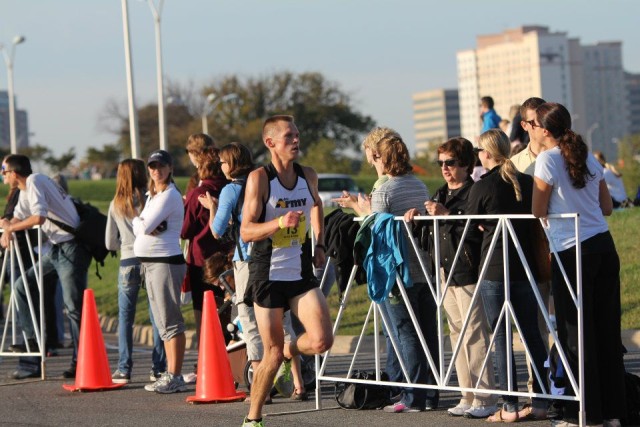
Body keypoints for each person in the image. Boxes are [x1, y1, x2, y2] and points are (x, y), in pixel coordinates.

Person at [532, 102, 625, 427]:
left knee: (575, 332)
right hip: (603, 246)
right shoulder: (586, 155)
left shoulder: (546, 159)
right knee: (606, 330)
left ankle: (583, 413)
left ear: (544, 130)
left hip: (572, 251)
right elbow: (607, 207)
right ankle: (615, 412)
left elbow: (537, 209)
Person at [240, 115, 333, 427]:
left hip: (301, 273)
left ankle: (289, 351)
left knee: (321, 341)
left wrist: (319, 244)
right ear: (271, 143)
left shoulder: (308, 175)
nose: (296, 140)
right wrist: (279, 222)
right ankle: (253, 419)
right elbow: (246, 231)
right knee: (271, 353)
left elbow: (317, 204)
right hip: (268, 275)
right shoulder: (260, 179)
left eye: (297, 134)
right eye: (289, 136)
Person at [200, 141, 308, 402]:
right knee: (281, 319)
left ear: (232, 163)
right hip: (278, 254)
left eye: (223, 162)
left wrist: (212, 207)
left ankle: (261, 388)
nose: (221, 167)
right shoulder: (264, 181)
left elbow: (216, 230)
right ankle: (298, 383)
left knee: (250, 319)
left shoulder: (231, 190)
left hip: (248, 259)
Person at [404, 137, 497, 418]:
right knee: (456, 334)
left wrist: (447, 214)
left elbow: (480, 231)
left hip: (469, 270)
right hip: (444, 271)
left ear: (467, 164)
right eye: (441, 163)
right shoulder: (440, 193)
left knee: (475, 334)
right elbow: (429, 238)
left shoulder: (474, 192)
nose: (445, 168)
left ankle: (485, 398)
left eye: (451, 163)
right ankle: (466, 394)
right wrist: (417, 219)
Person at [466, 130, 548, 422]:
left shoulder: (483, 186)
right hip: (526, 268)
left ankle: (510, 406)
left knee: (500, 338)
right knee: (532, 336)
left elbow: (470, 226)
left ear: (486, 154)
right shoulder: (526, 182)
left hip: (495, 270)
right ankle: (541, 401)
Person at [358, 127, 439, 414]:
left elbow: (378, 234)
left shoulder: (384, 190)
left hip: (397, 271)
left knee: (405, 333)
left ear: (380, 156)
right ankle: (431, 393)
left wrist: (362, 213)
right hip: (424, 268)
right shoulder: (419, 185)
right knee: (428, 332)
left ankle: (412, 396)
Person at [0, 154, 92, 379]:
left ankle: (81, 361)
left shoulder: (34, 181)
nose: (2, 176)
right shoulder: (25, 190)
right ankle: (31, 340)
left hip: (71, 247)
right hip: (56, 250)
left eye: (4, 171)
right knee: (22, 286)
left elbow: (38, 218)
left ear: (14, 172)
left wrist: (12, 228)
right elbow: (18, 218)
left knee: (73, 307)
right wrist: (6, 225)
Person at [106, 159, 166, 384]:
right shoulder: (149, 199)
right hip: (150, 259)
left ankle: (124, 368)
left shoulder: (116, 203)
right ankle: (158, 367)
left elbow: (110, 242)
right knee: (156, 315)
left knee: (125, 317)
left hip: (127, 260)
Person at [134, 150, 187, 394]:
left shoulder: (169, 196)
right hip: (152, 263)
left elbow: (143, 225)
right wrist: (143, 224)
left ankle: (175, 375)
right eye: (153, 166)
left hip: (164, 262)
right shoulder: (153, 196)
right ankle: (170, 373)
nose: (157, 170)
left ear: (170, 168)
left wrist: (142, 223)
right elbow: (143, 226)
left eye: (161, 166)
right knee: (163, 323)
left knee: (170, 322)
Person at [181, 134, 231, 348]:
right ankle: (229, 357)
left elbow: (184, 230)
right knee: (226, 312)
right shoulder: (230, 190)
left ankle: (207, 360)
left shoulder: (198, 194)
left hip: (201, 260)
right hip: (227, 256)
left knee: (204, 314)